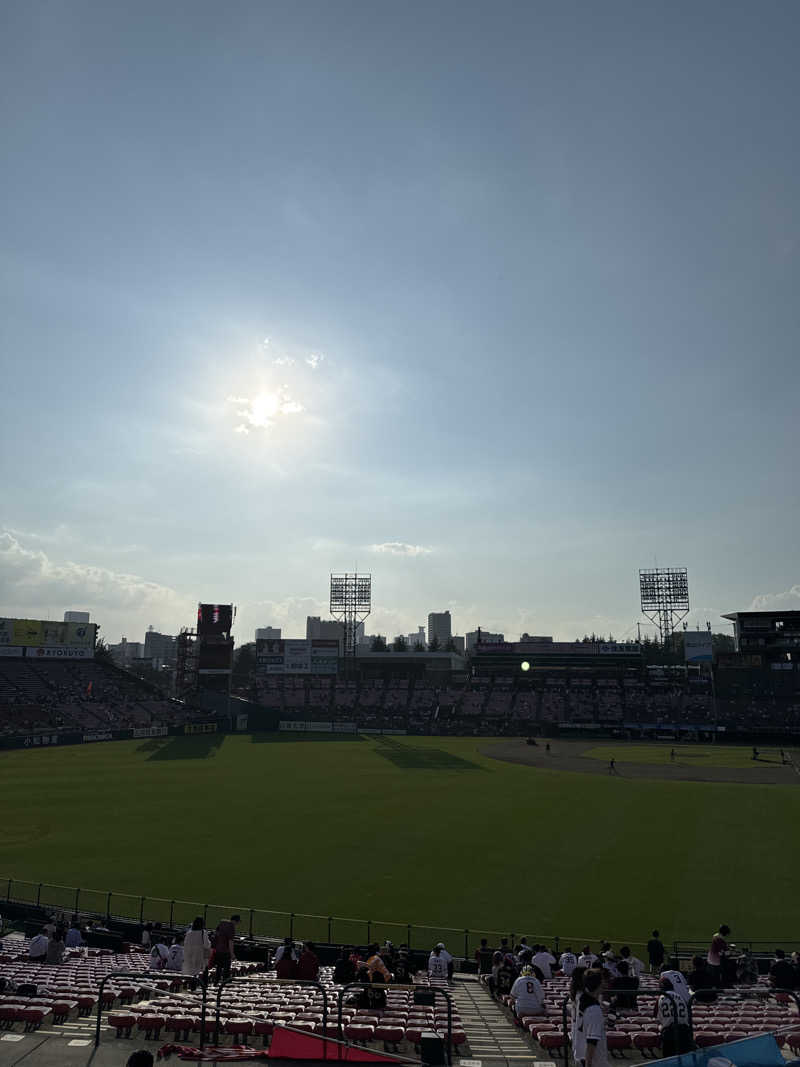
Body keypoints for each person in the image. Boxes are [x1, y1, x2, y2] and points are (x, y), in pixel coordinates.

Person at [575, 970, 607, 1067]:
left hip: (580, 1057)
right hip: (594, 1062)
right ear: (599, 984)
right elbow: (592, 1041)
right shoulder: (594, 1010)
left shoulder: (581, 999)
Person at [656, 975, 694, 1056]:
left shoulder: (661, 997)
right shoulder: (680, 996)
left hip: (669, 1032)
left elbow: (657, 1018)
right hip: (684, 1031)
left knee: (669, 1060)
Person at [213, 914, 240, 985]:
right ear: (234, 921)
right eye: (237, 922)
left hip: (218, 949)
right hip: (225, 951)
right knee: (226, 969)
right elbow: (230, 941)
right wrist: (232, 954)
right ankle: (224, 983)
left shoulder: (221, 924)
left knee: (218, 967)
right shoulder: (231, 927)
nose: (237, 924)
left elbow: (216, 934)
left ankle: (216, 982)